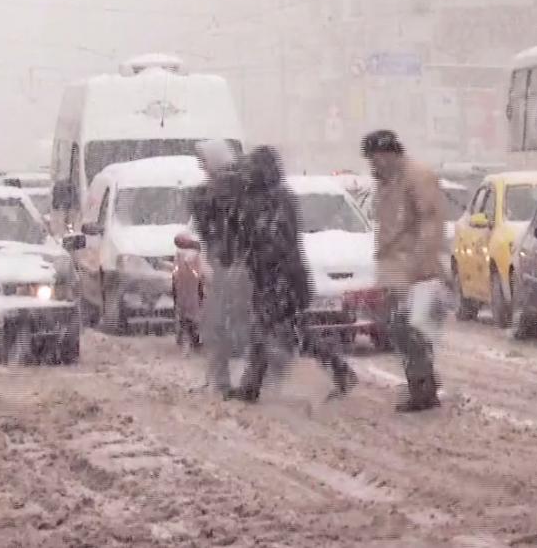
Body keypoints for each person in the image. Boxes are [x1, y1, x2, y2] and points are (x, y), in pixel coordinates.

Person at [231, 146, 357, 403]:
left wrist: (255, 254)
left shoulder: (277, 199)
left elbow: (276, 241)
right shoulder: (267, 197)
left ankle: (340, 371)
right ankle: (251, 386)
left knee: (286, 333)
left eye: (253, 169)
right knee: (279, 331)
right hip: (274, 279)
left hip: (282, 280)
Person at [362, 130, 447, 412]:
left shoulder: (416, 177)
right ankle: (420, 385)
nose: (372, 166)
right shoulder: (388, 182)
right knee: (399, 331)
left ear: (387, 155)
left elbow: (430, 224)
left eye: (373, 159)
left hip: (414, 271)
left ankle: (424, 389)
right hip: (395, 270)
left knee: (409, 329)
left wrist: (420, 265)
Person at [189, 139, 248, 398]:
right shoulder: (233, 190)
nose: (202, 167)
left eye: (204, 162)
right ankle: (222, 379)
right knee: (219, 326)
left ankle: (228, 381)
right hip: (229, 266)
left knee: (222, 326)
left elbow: (219, 231)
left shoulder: (224, 193)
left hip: (234, 268)